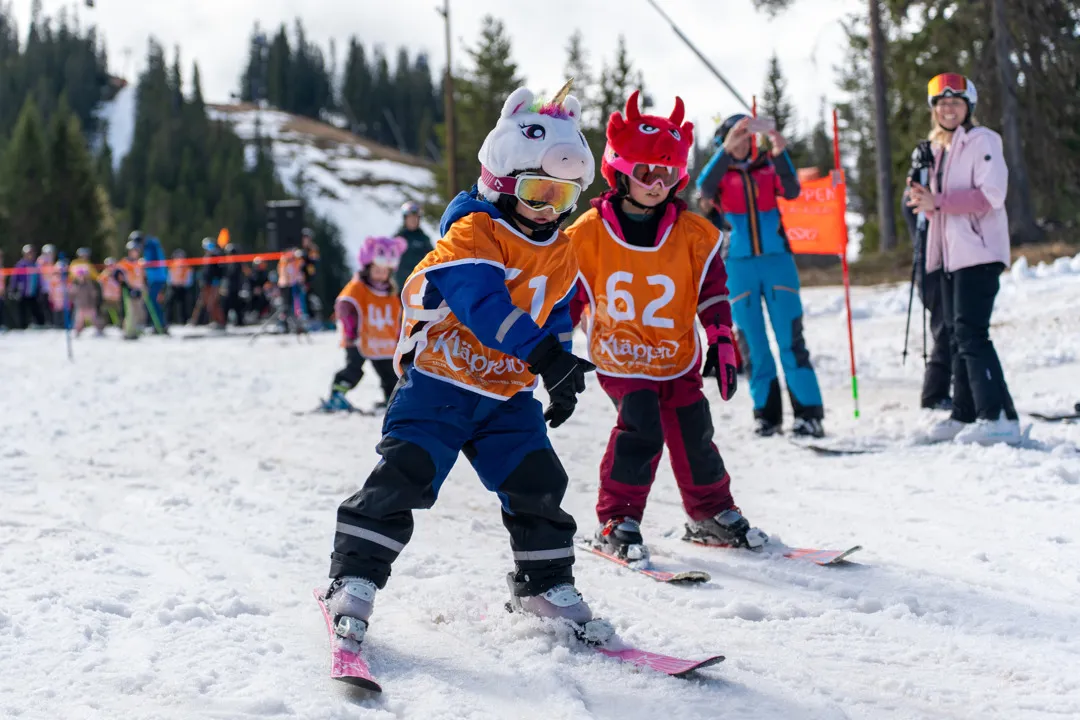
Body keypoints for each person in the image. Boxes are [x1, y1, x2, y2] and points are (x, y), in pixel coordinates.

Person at [324, 84, 611, 645]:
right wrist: (545, 354)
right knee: (404, 476)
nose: (549, 208)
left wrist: (562, 367)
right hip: (439, 385)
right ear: (502, 183)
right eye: (536, 191)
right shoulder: (472, 232)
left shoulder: (558, 245)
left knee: (538, 482)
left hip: (506, 395)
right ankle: (352, 578)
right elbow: (484, 307)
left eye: (563, 195)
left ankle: (542, 584)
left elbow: (553, 308)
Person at [565, 91, 767, 565]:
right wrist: (557, 350)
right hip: (621, 352)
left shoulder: (692, 234)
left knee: (695, 429)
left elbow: (711, 289)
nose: (657, 184)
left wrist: (720, 338)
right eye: (646, 173)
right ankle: (618, 518)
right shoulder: (589, 233)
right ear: (620, 170)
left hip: (675, 354)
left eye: (668, 174)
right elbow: (569, 293)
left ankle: (711, 512)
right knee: (640, 427)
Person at [696, 114, 825, 438]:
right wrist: (725, 151)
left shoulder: (769, 166)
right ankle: (766, 416)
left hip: (777, 262)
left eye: (747, 134)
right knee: (753, 343)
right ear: (725, 141)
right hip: (738, 266)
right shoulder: (720, 175)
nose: (744, 141)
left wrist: (780, 150)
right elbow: (703, 188)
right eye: (737, 136)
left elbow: (793, 189)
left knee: (790, 341)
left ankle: (809, 415)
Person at [907, 73, 1020, 445]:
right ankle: (964, 413)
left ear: (968, 107)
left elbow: (991, 195)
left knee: (972, 334)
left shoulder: (982, 140)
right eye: (941, 103)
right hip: (952, 257)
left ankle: (997, 415)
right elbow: (938, 207)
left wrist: (937, 201)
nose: (948, 109)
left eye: (955, 103)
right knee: (957, 335)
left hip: (980, 252)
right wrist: (923, 200)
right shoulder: (941, 150)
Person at [322, 236, 407, 413]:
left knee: (389, 373)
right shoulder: (358, 287)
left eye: (385, 271)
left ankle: (392, 400)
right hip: (359, 339)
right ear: (368, 268)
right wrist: (351, 331)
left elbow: (397, 316)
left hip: (383, 340)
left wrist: (399, 337)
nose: (381, 274)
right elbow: (345, 306)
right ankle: (337, 395)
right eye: (377, 270)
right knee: (353, 369)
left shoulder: (391, 293)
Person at [902, 141, 953, 411]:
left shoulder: (922, 188)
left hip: (936, 264)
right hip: (930, 266)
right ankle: (934, 393)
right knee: (944, 328)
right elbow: (917, 220)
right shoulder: (917, 189)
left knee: (948, 327)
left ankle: (943, 389)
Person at [134, 231, 169, 333]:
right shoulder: (151, 245)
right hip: (155, 278)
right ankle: (158, 324)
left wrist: (143, 263)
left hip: (157, 279)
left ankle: (161, 325)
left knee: (153, 301)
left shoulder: (151, 246)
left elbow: (152, 261)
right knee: (153, 302)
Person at [393, 201, 434, 288]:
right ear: (405, 219)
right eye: (410, 217)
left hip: (417, 283)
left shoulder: (424, 238)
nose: (413, 220)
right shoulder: (398, 237)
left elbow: (432, 258)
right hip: (399, 284)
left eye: (415, 217)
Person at [190, 238, 226, 328]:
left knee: (213, 303)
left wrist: (217, 281)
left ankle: (220, 322)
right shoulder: (208, 256)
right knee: (204, 302)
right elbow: (206, 271)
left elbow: (220, 270)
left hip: (214, 283)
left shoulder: (216, 255)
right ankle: (197, 321)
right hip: (206, 283)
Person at [115, 241, 147, 340]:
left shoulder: (139, 263)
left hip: (139, 289)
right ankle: (128, 332)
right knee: (131, 312)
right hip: (129, 289)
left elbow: (143, 276)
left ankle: (135, 330)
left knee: (140, 312)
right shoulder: (124, 263)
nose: (135, 253)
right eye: (133, 251)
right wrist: (124, 284)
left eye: (137, 251)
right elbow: (117, 274)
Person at [12, 245, 43, 328]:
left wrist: (39, 288)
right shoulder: (20, 265)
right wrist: (13, 289)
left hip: (33, 291)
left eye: (32, 253)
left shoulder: (34, 265)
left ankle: (40, 324)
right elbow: (15, 278)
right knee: (22, 310)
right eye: (29, 253)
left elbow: (38, 278)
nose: (31, 255)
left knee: (35, 308)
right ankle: (22, 326)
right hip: (22, 292)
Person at [70, 264, 101, 336]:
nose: (81, 277)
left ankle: (99, 330)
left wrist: (93, 300)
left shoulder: (89, 284)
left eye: (82, 275)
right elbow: (72, 295)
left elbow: (93, 294)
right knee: (79, 320)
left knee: (94, 319)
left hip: (89, 305)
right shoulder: (75, 285)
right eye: (79, 275)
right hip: (80, 305)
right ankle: (77, 331)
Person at [167, 249, 194, 325]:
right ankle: (168, 320)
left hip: (183, 287)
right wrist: (171, 283)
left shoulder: (186, 265)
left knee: (183, 304)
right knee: (169, 303)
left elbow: (189, 277)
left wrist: (185, 284)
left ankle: (183, 321)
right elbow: (170, 276)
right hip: (173, 286)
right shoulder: (172, 264)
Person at [98, 257, 123, 327]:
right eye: (109, 265)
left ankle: (120, 325)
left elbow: (122, 283)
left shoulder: (118, 273)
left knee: (119, 312)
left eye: (112, 265)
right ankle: (102, 326)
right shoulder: (104, 274)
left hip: (116, 297)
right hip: (107, 297)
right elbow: (100, 282)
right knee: (104, 312)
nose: (110, 267)